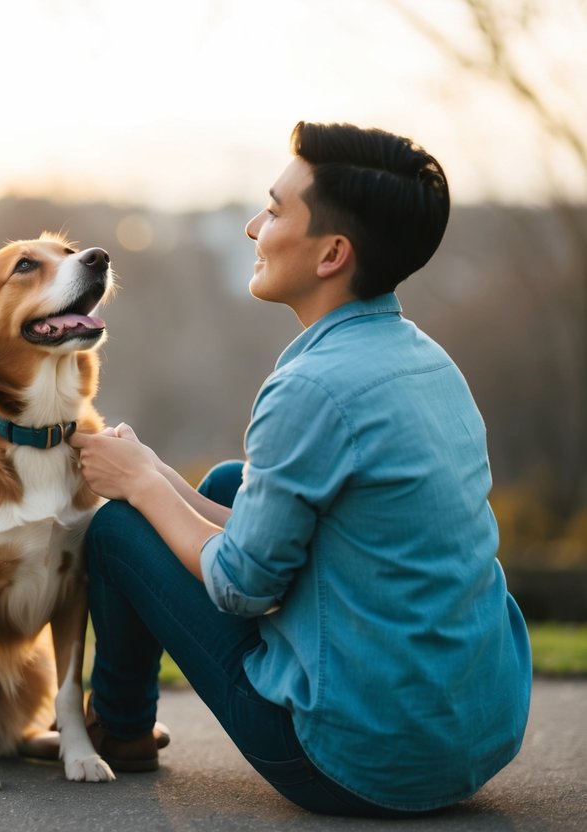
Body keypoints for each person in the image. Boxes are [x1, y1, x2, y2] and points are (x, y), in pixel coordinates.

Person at [68, 121, 532, 817]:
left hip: (353, 762)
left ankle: (122, 726)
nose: (255, 228)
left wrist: (135, 484)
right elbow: (328, 541)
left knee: (114, 531)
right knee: (228, 483)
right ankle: (125, 718)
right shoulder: (428, 363)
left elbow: (240, 586)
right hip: (474, 735)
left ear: (331, 254)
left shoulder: (311, 388)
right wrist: (156, 471)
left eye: (276, 210)